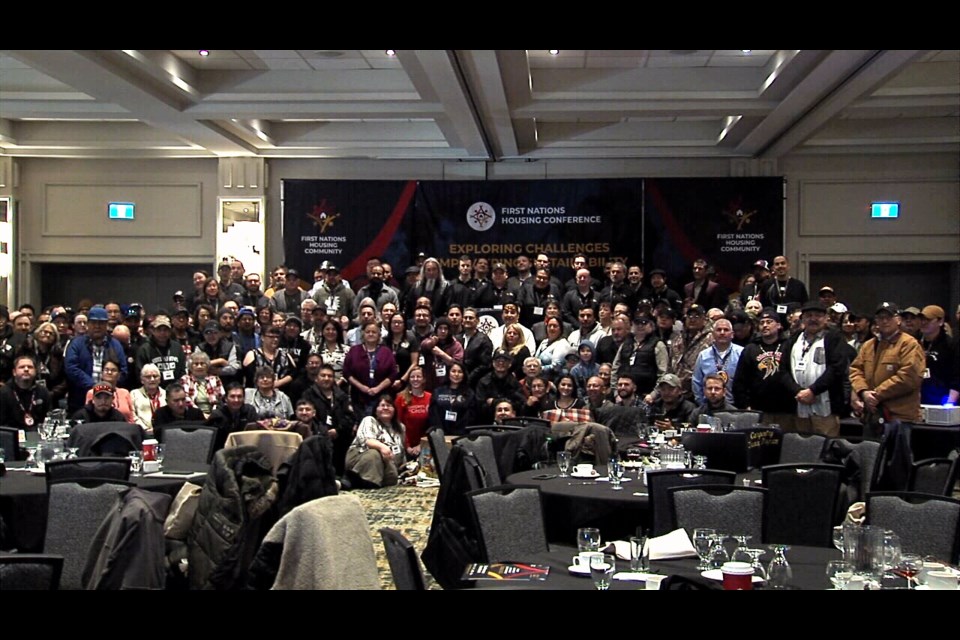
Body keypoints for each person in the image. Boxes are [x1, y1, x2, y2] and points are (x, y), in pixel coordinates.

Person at [850, 302, 926, 434]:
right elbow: (856, 370)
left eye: (889, 317)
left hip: (899, 417)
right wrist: (863, 392)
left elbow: (909, 377)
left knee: (895, 454)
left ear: (898, 320)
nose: (884, 321)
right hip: (872, 415)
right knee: (869, 453)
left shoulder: (909, 344)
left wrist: (876, 394)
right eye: (880, 318)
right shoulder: (868, 345)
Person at [780, 302, 852, 437]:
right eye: (809, 316)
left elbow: (837, 368)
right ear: (802, 319)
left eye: (818, 315)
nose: (813, 319)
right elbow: (783, 370)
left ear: (826, 318)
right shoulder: (793, 339)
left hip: (826, 406)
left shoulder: (834, 338)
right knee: (802, 447)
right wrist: (799, 392)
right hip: (799, 404)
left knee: (825, 447)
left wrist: (813, 391)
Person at [732, 307, 797, 428]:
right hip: (759, 410)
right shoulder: (750, 349)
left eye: (769, 322)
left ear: (778, 325)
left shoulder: (789, 346)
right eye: (762, 323)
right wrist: (745, 405)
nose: (765, 325)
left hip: (786, 410)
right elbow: (739, 381)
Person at [64, 306, 128, 414]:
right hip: (80, 398)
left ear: (106, 325)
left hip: (109, 401)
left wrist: (107, 388)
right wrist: (94, 387)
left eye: (101, 323)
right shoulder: (76, 344)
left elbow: (123, 370)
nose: (97, 326)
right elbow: (71, 368)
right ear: (88, 324)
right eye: (94, 323)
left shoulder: (115, 345)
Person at [300, 363, 356, 476]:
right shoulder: (308, 395)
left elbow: (349, 416)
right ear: (316, 378)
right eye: (323, 375)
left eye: (330, 376)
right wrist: (325, 431)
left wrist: (338, 430)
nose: (326, 378)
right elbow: (308, 416)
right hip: (317, 435)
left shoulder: (342, 395)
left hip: (340, 436)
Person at [345, 394, 407, 488]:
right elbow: (367, 440)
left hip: (388, 464)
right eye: (382, 405)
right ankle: (353, 480)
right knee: (374, 453)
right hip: (361, 456)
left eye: (389, 405)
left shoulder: (401, 428)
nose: (385, 408)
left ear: (394, 409)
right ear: (376, 410)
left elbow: (401, 452)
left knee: (393, 477)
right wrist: (383, 447)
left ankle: (366, 482)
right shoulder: (369, 420)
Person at [342, 320, 398, 417]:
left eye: (374, 332)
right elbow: (347, 372)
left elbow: (392, 373)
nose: (371, 334)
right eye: (368, 332)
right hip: (359, 397)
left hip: (381, 397)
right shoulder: (354, 350)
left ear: (379, 335)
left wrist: (378, 388)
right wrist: (361, 387)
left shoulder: (386, 351)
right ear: (363, 334)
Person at [612, 312, 668, 397]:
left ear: (651, 325)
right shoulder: (626, 343)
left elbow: (663, 373)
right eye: (637, 322)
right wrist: (616, 393)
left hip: (647, 395)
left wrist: (654, 394)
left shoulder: (658, 344)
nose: (640, 326)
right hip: (623, 395)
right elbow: (615, 368)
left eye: (644, 323)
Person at [691, 318, 743, 406]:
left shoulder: (741, 353)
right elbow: (697, 382)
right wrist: (702, 404)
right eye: (719, 330)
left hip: (735, 406)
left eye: (726, 330)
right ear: (712, 334)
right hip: (708, 406)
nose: (722, 332)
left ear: (732, 334)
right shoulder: (703, 355)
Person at [917, 305, 959, 405]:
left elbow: (957, 375)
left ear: (940, 321)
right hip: (916, 399)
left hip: (941, 398)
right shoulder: (914, 342)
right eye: (922, 319)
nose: (923, 322)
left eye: (928, 320)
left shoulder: (951, 345)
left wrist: (951, 401)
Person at [134, 314, 187, 391]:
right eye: (159, 329)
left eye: (165, 329)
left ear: (170, 331)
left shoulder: (177, 347)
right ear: (153, 330)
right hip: (153, 390)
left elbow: (182, 371)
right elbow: (140, 373)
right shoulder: (144, 349)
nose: (162, 333)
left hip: (175, 389)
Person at [0, 354, 51, 430]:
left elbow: (48, 419)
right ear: (14, 372)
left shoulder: (43, 392)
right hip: (12, 435)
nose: (26, 369)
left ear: (35, 371)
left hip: (38, 435)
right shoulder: (3, 393)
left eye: (30, 367)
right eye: (22, 367)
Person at [205, 382, 259, 452]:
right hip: (222, 452)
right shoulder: (217, 415)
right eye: (232, 396)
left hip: (246, 450)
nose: (236, 400)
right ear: (226, 398)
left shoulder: (250, 411)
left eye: (239, 396)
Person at [475, 349, 525, 423]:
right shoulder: (483, 382)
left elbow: (520, 405)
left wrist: (495, 402)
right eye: (498, 360)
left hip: (510, 423)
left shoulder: (514, 383)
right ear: (493, 363)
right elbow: (479, 406)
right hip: (487, 422)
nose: (501, 363)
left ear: (510, 364)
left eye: (504, 361)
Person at [428, 360, 475, 436]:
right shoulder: (438, 391)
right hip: (440, 434)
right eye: (453, 371)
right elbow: (433, 414)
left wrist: (458, 432)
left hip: (461, 434)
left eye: (460, 372)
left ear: (464, 375)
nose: (456, 374)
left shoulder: (469, 394)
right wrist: (440, 431)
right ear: (448, 373)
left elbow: (470, 417)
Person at [242, 325, 297, 390]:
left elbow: (294, 373)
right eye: (271, 337)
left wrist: (279, 383)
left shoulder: (285, 355)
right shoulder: (252, 354)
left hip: (280, 394)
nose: (275, 339)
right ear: (262, 337)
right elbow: (247, 376)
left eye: (277, 337)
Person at [83, 358, 135, 423]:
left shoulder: (125, 392)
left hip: (124, 428)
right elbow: (87, 414)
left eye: (113, 370)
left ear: (119, 374)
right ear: (102, 373)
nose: (109, 372)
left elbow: (131, 417)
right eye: (106, 370)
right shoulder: (92, 392)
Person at [394, 367, 431, 457]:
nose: (415, 379)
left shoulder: (430, 397)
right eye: (412, 377)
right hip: (405, 445)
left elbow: (432, 425)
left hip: (424, 445)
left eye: (418, 376)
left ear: (424, 379)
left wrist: (421, 445)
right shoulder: (401, 398)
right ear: (409, 379)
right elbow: (397, 424)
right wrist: (407, 446)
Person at [419, 316, 463, 392]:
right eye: (440, 328)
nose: (443, 331)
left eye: (445, 328)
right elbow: (423, 346)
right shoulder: (431, 340)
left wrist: (441, 353)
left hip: (449, 382)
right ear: (436, 330)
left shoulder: (456, 345)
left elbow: (458, 364)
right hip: (430, 381)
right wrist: (432, 342)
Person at [179, 351, 226, 420]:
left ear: (207, 366)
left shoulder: (215, 379)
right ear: (190, 366)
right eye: (196, 364)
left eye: (202, 363)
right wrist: (201, 414)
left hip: (213, 414)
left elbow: (221, 398)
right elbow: (186, 400)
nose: (199, 366)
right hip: (192, 414)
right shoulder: (185, 379)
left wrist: (213, 414)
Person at [30, 321, 67, 404]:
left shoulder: (58, 355)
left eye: (51, 333)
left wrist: (51, 394)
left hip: (51, 396)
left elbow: (64, 381)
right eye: (44, 332)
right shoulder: (27, 350)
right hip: (28, 393)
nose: (47, 335)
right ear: (37, 333)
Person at [196, 320, 241, 387]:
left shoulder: (230, 346)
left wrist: (215, 370)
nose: (211, 336)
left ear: (220, 333)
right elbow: (194, 366)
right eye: (208, 333)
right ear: (203, 335)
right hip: (205, 384)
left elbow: (233, 369)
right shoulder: (200, 347)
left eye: (215, 332)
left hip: (227, 384)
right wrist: (220, 361)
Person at [458, 307, 492, 389]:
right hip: (458, 379)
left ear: (477, 321)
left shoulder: (484, 340)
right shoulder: (457, 338)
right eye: (465, 318)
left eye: (471, 318)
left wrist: (468, 378)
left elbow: (485, 365)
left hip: (476, 383)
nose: (468, 320)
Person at [130, 363, 166, 437]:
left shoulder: (166, 394)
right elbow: (132, 415)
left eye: (155, 376)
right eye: (148, 377)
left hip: (163, 433)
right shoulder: (134, 394)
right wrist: (145, 429)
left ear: (159, 379)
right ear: (142, 380)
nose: (152, 379)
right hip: (141, 433)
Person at [534, 316, 571, 383]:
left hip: (554, 381)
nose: (552, 328)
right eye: (549, 326)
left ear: (560, 329)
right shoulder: (544, 342)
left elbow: (556, 367)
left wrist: (537, 369)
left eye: (555, 326)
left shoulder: (563, 344)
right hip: (539, 378)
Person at [314, 318, 350, 388]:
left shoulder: (347, 350)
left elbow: (350, 370)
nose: (330, 332)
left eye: (334, 329)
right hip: (319, 386)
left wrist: (340, 381)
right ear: (323, 332)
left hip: (342, 386)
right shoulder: (315, 350)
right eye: (327, 329)